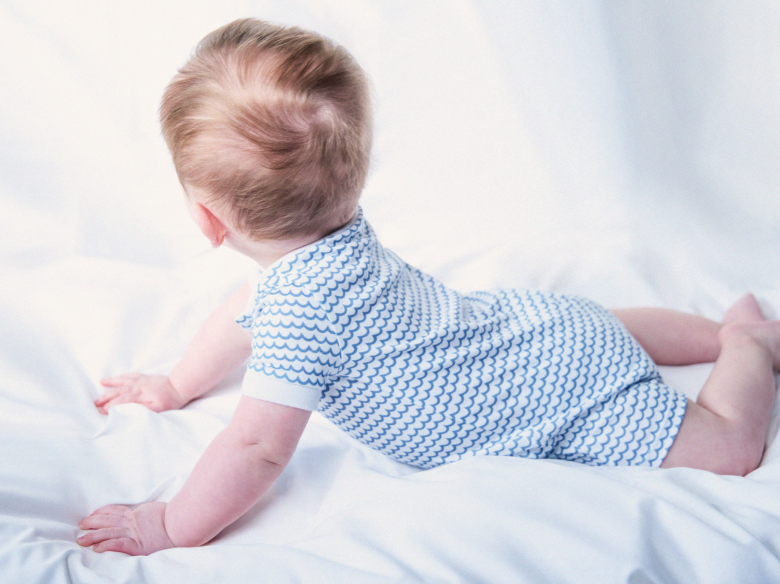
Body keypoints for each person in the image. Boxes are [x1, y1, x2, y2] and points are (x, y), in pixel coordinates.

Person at [77, 18, 780, 556]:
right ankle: (711, 332)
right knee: (606, 324)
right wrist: (174, 387)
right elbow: (244, 314)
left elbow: (255, 449)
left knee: (727, 449)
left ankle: (746, 345)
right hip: (536, 326)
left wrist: (169, 522)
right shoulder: (337, 234)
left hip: (550, 403)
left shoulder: (299, 312)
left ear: (207, 221)